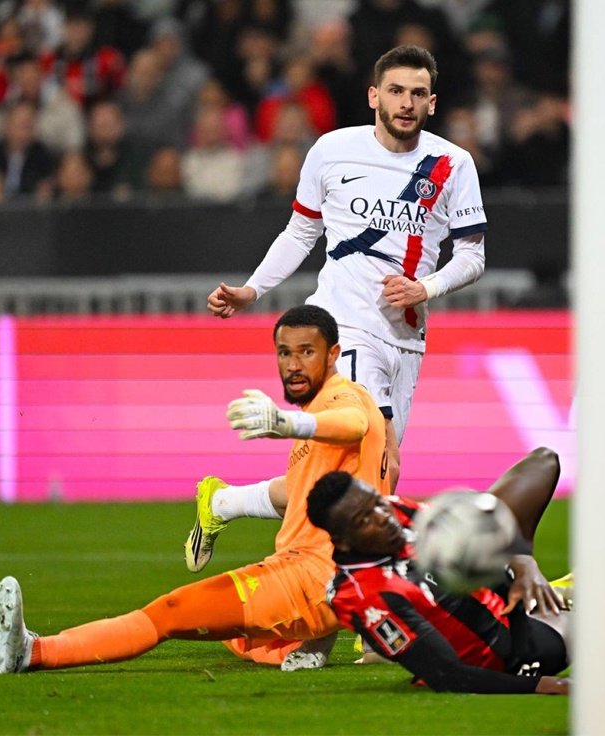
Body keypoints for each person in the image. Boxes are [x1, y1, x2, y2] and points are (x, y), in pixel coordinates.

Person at [192, 44, 487, 571]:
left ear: (432, 103)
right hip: (344, 326)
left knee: (356, 480)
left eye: (418, 93)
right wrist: (252, 290)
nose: (406, 102)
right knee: (379, 467)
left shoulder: (453, 164)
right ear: (374, 96)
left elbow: (472, 255)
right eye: (395, 90)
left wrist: (425, 289)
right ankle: (336, 594)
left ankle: (225, 503)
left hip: (406, 338)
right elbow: (301, 231)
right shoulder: (332, 150)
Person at [0, 305, 388, 674]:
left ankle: (34, 651)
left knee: (170, 612)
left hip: (306, 580)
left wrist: (289, 424)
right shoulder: (338, 421)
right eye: (285, 353)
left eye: (306, 352)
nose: (293, 365)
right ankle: (307, 640)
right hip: (325, 581)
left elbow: (353, 423)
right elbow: (299, 492)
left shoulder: (342, 398)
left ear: (333, 355)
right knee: (232, 631)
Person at [304, 447, 571, 694]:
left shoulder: (394, 510)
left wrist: (523, 563)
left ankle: (545, 591)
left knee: (543, 461)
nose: (383, 516)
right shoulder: (361, 595)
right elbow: (446, 675)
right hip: (513, 654)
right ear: (342, 541)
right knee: (593, 623)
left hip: (508, 604)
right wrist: (540, 685)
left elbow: (471, 526)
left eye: (377, 502)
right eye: (364, 519)